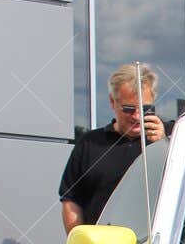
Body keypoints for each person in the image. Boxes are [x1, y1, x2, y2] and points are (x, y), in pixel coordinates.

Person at [58, 64, 167, 231]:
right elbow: (71, 200)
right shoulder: (89, 143)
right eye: (129, 109)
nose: (137, 116)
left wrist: (164, 144)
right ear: (112, 102)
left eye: (145, 109)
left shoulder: (173, 137)